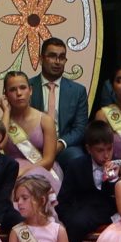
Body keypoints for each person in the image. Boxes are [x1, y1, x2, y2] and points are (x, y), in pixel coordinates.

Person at [54, 121, 121, 242]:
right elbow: (63, 201)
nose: (106, 155)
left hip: (110, 212)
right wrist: (70, 219)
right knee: (75, 224)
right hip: (82, 213)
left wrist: (113, 180)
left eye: (109, 149)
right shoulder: (76, 166)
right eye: (100, 150)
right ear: (88, 149)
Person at [31, 38, 90, 169]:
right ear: (41, 59)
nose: (57, 62)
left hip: (63, 147)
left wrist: (60, 144)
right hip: (33, 147)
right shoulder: (27, 87)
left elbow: (80, 128)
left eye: (62, 57)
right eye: (52, 56)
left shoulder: (78, 91)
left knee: (78, 158)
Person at [0, 70, 60, 176]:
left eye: (23, 88)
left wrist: (24, 173)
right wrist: (6, 112)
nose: (19, 93)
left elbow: (48, 161)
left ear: (30, 90)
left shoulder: (45, 120)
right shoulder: (3, 122)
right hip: (12, 173)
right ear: (6, 95)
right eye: (12, 90)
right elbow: (0, 145)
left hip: (41, 172)